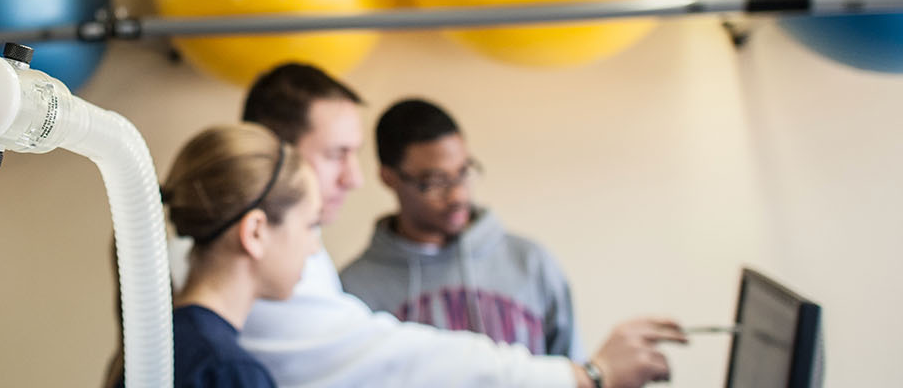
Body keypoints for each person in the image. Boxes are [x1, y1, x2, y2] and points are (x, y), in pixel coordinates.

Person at [233, 63, 684, 388]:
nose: (354, 178)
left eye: (463, 174)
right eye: (337, 155)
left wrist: (584, 375)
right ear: (275, 154)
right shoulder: (267, 265)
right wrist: (587, 377)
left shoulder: (531, 262)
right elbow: (396, 363)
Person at [340, 98, 583, 359]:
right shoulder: (354, 292)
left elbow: (576, 372)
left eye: (463, 172)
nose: (457, 194)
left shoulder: (531, 263)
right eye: (435, 181)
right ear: (389, 178)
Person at [114, 123, 322, 387]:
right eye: (311, 225)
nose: (314, 247)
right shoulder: (227, 371)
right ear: (255, 232)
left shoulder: (161, 347)